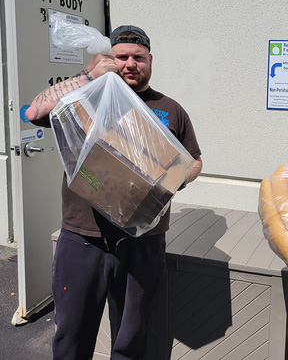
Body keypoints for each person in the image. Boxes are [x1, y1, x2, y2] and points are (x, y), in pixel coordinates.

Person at [26, 25, 203, 360]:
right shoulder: (85, 97)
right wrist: (88, 75)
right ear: (109, 58)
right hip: (83, 236)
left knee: (131, 337)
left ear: (150, 60)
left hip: (143, 240)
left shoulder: (171, 108)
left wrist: (176, 179)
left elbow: (194, 160)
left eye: (139, 57)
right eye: (122, 57)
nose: (130, 64)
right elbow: (34, 112)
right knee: (72, 335)